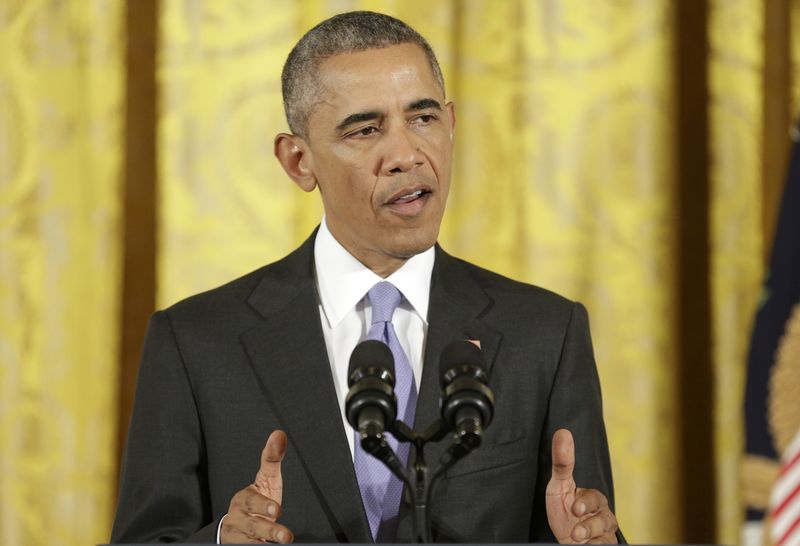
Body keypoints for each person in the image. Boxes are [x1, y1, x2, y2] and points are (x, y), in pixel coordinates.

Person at [112, 11, 621, 544]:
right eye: (366, 129)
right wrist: (221, 540)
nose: (406, 155)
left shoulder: (545, 333)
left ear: (451, 123)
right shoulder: (196, 342)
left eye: (423, 119)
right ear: (298, 161)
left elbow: (589, 524)